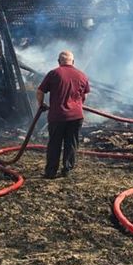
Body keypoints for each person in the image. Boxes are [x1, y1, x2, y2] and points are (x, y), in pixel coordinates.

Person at [37, 50, 90, 178]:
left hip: (57, 116)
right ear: (73, 61)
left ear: (59, 61)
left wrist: (41, 104)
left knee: (54, 144)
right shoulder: (82, 75)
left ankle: (51, 172)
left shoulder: (54, 73)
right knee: (71, 143)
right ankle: (67, 170)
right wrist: (77, 104)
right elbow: (85, 96)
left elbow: (40, 91)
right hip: (76, 117)